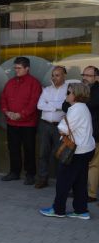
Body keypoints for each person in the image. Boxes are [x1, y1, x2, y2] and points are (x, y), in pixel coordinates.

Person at [40, 83, 95, 220]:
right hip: (86, 149)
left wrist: (61, 124)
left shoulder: (75, 109)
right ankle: (81, 210)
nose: (66, 95)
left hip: (76, 151)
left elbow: (62, 128)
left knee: (63, 181)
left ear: (76, 95)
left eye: (69, 92)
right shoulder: (83, 107)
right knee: (80, 181)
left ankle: (58, 209)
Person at [1, 56, 42, 185]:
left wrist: (21, 114)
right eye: (15, 68)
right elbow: (4, 99)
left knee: (29, 149)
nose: (16, 70)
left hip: (28, 123)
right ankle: (14, 172)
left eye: (19, 68)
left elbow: (34, 103)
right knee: (13, 148)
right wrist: (7, 112)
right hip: (12, 122)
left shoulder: (34, 83)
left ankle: (30, 175)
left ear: (27, 68)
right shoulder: (10, 82)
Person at [34, 66, 68, 188]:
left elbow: (66, 106)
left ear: (64, 76)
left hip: (60, 126)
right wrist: (56, 107)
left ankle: (62, 181)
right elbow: (39, 105)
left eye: (57, 75)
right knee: (43, 153)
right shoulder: (47, 90)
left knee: (60, 154)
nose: (54, 78)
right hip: (45, 125)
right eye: (53, 75)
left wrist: (50, 104)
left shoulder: (68, 90)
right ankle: (42, 179)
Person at [81, 66, 99, 203]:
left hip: (95, 132)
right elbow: (66, 105)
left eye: (89, 75)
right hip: (82, 133)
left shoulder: (96, 91)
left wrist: (77, 103)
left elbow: (90, 105)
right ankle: (81, 190)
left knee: (93, 164)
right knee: (82, 164)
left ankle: (91, 194)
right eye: (84, 74)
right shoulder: (82, 89)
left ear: (96, 77)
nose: (85, 77)